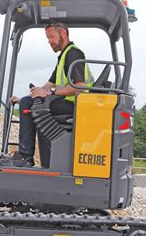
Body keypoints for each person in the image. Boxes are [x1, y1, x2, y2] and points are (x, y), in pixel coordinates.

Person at [8, 22, 93, 167]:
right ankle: (34, 158)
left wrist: (48, 92)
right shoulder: (63, 57)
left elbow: (79, 87)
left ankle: (25, 156)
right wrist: (25, 99)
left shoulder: (73, 54)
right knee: (27, 102)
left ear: (63, 34)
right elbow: (47, 86)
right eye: (48, 38)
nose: (49, 41)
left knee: (28, 104)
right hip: (67, 103)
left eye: (52, 37)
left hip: (76, 105)